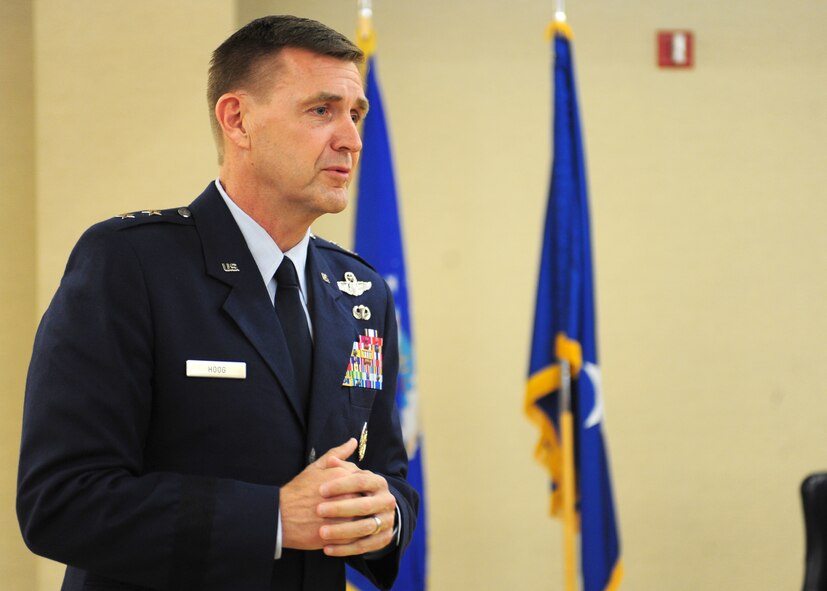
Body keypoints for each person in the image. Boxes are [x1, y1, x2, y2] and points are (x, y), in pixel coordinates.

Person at [17, 15, 418, 591]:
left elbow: (387, 476)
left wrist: (385, 517)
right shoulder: (131, 265)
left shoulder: (361, 293)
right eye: (321, 110)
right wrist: (273, 519)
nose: (351, 139)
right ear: (238, 120)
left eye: (356, 115)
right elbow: (61, 501)